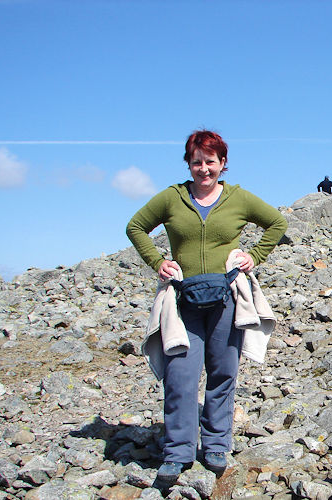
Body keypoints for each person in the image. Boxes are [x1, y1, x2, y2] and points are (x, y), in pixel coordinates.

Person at [126, 130, 288, 482]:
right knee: (180, 375)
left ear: (222, 164)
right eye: (197, 162)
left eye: (210, 162)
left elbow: (277, 223)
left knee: (223, 372)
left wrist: (254, 256)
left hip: (226, 297)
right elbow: (135, 226)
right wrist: (157, 262)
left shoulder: (238, 198)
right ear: (189, 163)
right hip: (184, 299)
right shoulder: (172, 198)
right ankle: (177, 451)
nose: (204, 169)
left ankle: (216, 445)